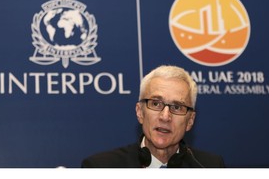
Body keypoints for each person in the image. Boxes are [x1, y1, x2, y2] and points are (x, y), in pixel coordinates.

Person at [81, 65, 225, 168]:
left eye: (177, 107)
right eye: (156, 104)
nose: (165, 116)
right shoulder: (101, 168)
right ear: (140, 112)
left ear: (190, 121)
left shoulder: (209, 167)